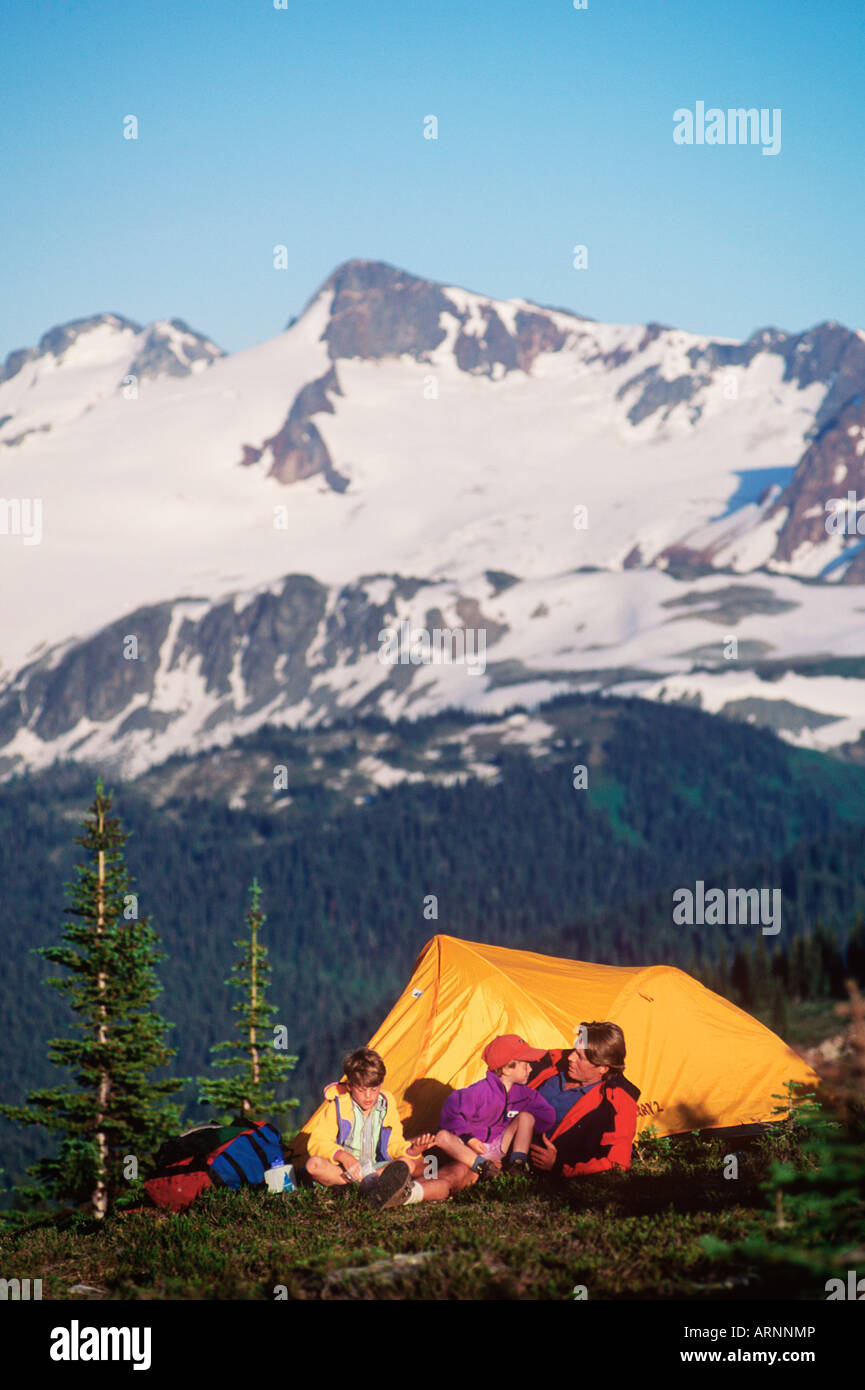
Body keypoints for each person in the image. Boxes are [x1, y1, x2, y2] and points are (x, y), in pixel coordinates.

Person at [301, 1046, 472, 1208]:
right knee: (313, 1165)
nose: (368, 1096)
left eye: (374, 1089)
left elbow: (393, 1142)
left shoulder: (386, 1103)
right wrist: (344, 1157)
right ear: (350, 1086)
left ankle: (376, 1184)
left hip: (378, 1168)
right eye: (361, 1090)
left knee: (415, 1162)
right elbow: (318, 1142)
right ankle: (367, 1188)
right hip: (348, 1172)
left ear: (381, 1085)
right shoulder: (338, 1106)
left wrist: (412, 1150)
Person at [527, 1022, 640, 1177]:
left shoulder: (616, 1101)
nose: (571, 1057)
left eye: (580, 1056)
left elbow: (617, 1162)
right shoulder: (554, 1064)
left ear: (603, 1068)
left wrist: (559, 1165)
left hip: (529, 1161)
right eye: (574, 1050)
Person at [436, 1034, 557, 1178]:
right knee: (442, 1136)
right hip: (471, 1149)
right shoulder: (479, 1091)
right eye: (526, 1065)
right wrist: (469, 1138)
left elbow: (548, 1117)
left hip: (499, 1146)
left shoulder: (526, 1095)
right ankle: (484, 1168)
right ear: (506, 1069)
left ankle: (517, 1165)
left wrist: (517, 1120)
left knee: (527, 1117)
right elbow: (451, 1112)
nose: (531, 1069)